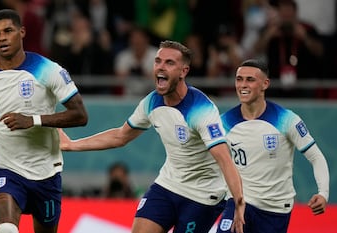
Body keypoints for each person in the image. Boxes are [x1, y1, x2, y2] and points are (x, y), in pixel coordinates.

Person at [58, 40, 245, 233]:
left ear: (183, 72)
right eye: (158, 61)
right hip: (169, 184)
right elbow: (121, 136)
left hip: (204, 195)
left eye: (169, 63)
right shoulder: (151, 102)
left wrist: (238, 203)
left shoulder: (201, 110)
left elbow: (224, 159)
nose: (161, 67)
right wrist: (72, 145)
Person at [0, 9, 88, 233]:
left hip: (45, 172)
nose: (2, 38)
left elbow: (80, 115)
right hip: (4, 167)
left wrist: (33, 120)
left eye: (8, 31)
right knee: (6, 228)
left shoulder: (48, 70)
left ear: (22, 32)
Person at [216, 59, 329, 233]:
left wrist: (323, 193)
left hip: (275, 209)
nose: (243, 85)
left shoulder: (287, 120)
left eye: (250, 80)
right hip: (239, 203)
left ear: (265, 84)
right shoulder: (223, 123)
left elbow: (316, 157)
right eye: (239, 79)